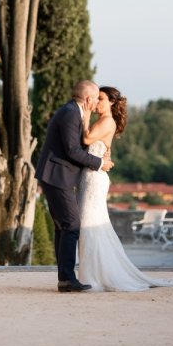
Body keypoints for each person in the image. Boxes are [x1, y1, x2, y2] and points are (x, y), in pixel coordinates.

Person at [77, 86, 173, 291]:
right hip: (90, 177)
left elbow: (87, 139)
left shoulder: (107, 121)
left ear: (111, 103)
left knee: (90, 226)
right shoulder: (105, 121)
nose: (97, 102)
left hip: (94, 180)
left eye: (101, 98)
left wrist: (85, 114)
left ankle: (92, 277)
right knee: (91, 226)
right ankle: (93, 274)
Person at [35, 80, 114, 292]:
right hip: (57, 175)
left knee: (63, 226)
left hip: (57, 175)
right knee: (71, 224)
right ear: (88, 99)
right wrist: (99, 163)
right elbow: (72, 150)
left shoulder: (73, 111)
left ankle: (65, 278)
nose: (97, 102)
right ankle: (68, 279)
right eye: (96, 98)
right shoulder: (70, 113)